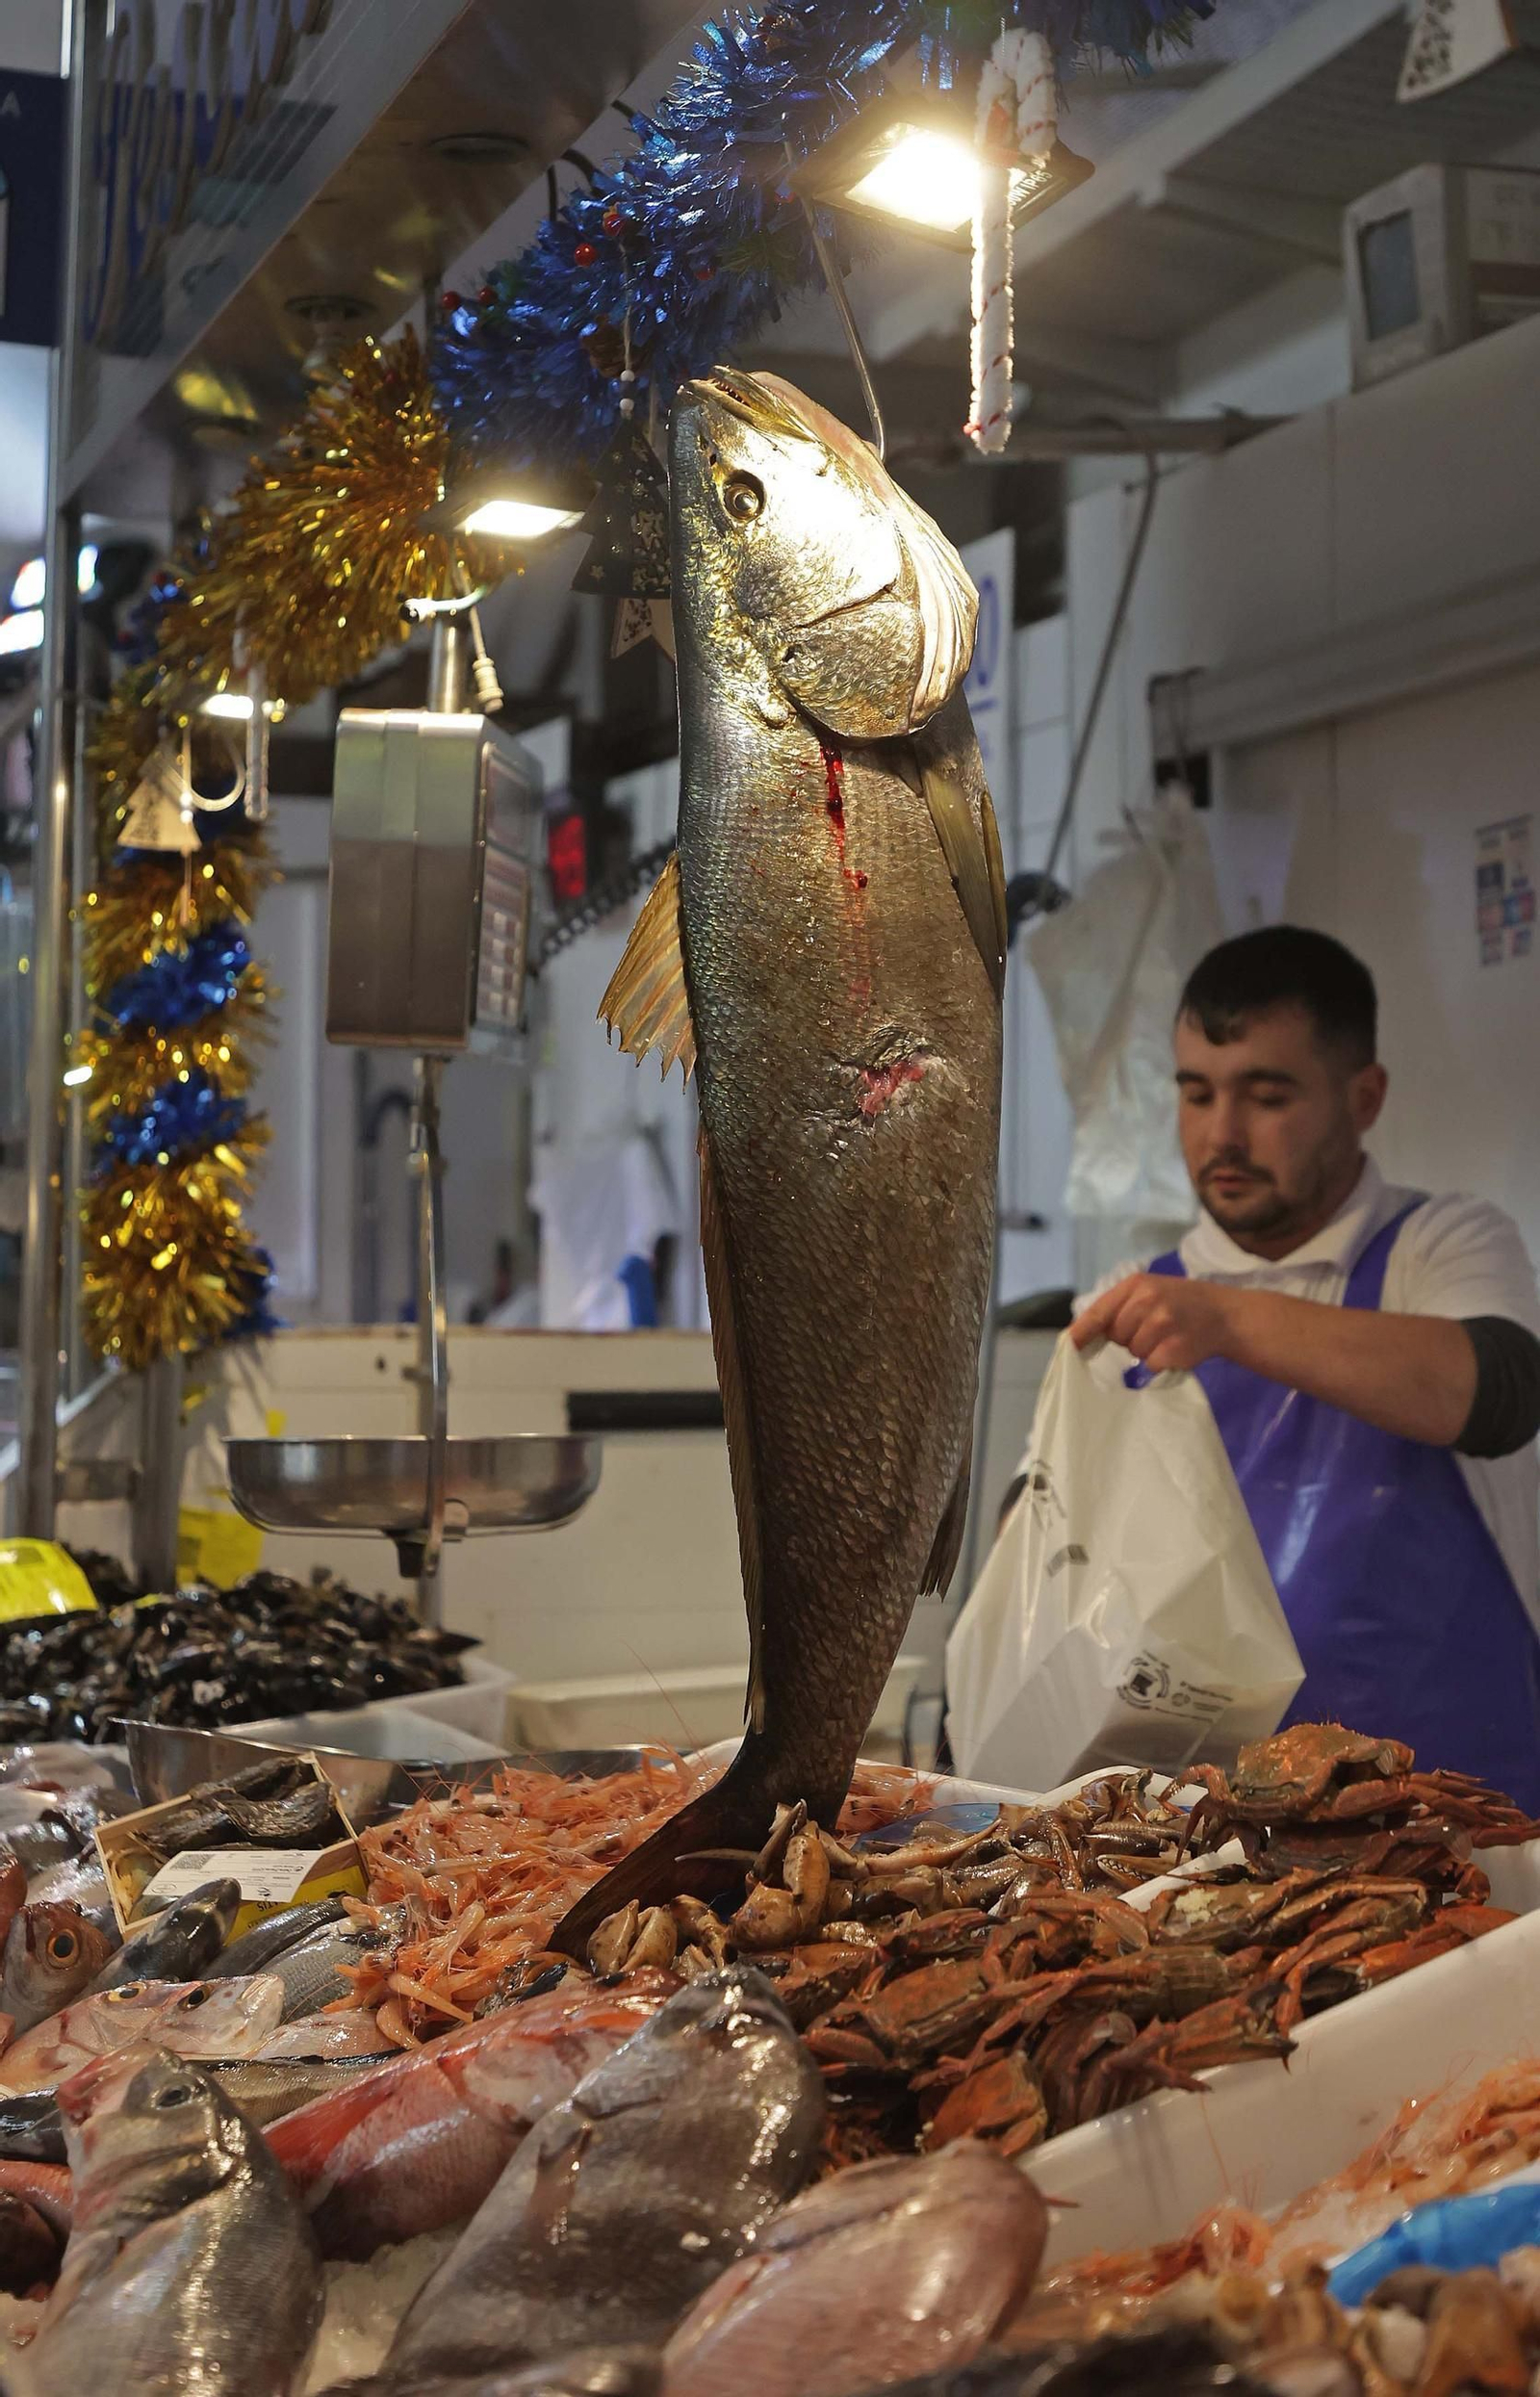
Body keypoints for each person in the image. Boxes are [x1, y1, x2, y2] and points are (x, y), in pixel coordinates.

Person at [1066, 925, 1540, 1807]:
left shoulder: (1440, 1247)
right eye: (1196, 1094)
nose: (1223, 1134)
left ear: (1364, 1097)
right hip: (1217, 1834)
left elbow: (1499, 1391)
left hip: (1469, 1820)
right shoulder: (1129, 1302)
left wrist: (1226, 1316)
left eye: (1267, 1095)